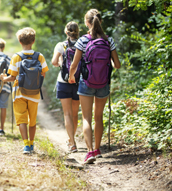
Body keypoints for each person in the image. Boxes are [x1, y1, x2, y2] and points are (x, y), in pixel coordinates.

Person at [68, 9, 121, 164]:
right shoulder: (108, 40)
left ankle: (89, 152)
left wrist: (72, 77)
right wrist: (105, 65)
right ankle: (98, 150)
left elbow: (74, 64)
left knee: (86, 117)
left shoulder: (83, 40)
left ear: (86, 22)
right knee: (98, 117)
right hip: (103, 83)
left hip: (86, 82)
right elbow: (117, 65)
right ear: (100, 21)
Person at [0, 27, 49, 154]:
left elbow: (12, 77)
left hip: (19, 93)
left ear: (19, 41)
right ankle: (32, 143)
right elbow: (44, 73)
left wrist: (3, 79)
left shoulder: (16, 57)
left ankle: (26, 145)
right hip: (34, 93)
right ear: (33, 40)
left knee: (22, 119)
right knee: (32, 121)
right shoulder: (40, 56)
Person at [51, 21, 80, 153]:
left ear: (66, 32)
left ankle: (72, 143)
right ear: (78, 31)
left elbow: (54, 62)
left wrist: (62, 66)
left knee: (67, 114)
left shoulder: (61, 45)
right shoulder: (83, 43)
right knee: (75, 114)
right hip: (79, 82)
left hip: (64, 81)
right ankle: (71, 139)